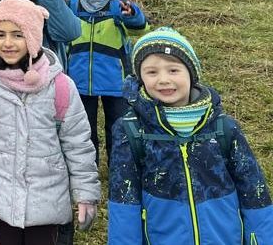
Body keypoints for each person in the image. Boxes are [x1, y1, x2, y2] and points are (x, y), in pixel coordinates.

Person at [0, 0, 100, 245]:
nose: (8, 43)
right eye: (0, 35)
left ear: (32, 37)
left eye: (18, 35)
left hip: (47, 192)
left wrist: (86, 194)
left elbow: (78, 143)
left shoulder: (60, 85)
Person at [108, 27, 273, 244]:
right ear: (140, 77)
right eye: (152, 72)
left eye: (173, 70)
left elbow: (254, 191)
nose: (163, 80)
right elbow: (124, 199)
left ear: (191, 73)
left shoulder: (223, 127)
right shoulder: (131, 130)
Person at [66, 0, 148, 164]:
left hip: (116, 80)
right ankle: (87, 169)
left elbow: (140, 27)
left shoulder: (119, 4)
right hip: (80, 79)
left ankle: (118, 168)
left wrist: (131, 15)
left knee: (118, 128)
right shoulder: (74, 4)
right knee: (84, 128)